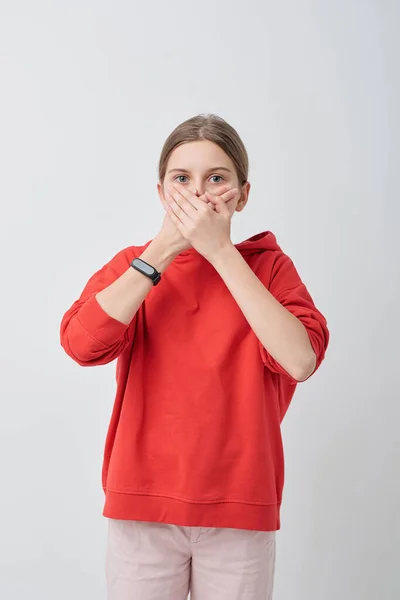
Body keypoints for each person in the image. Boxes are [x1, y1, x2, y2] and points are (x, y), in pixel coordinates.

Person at [60, 113, 329, 600]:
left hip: (239, 508)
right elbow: (82, 344)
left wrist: (221, 252)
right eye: (182, 179)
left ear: (243, 195)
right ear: (162, 193)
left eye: (216, 179)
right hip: (142, 506)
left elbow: (300, 359)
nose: (198, 193)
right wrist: (163, 250)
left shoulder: (270, 268)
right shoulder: (133, 267)